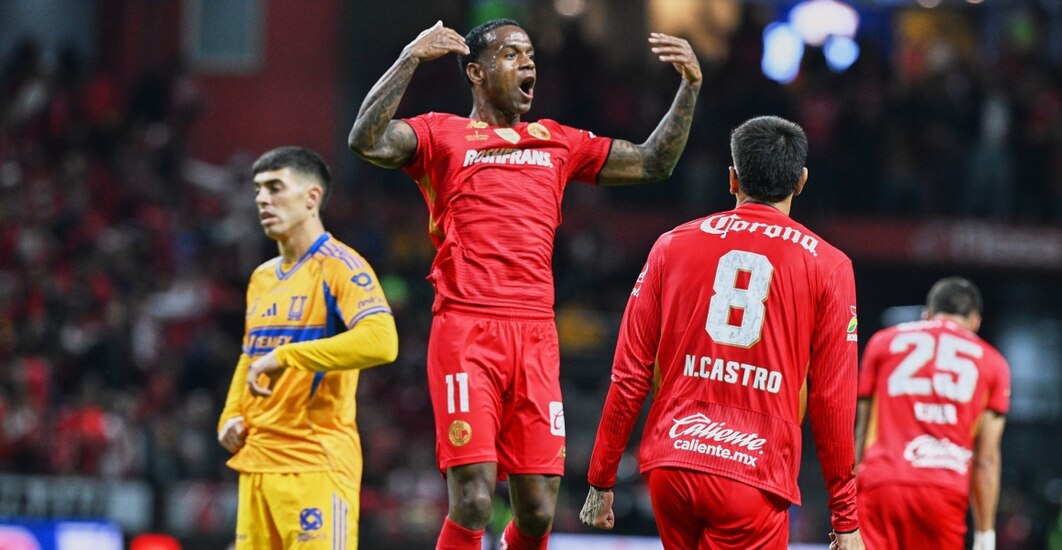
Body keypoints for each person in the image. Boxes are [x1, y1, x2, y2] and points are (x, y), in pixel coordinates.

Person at [348, 18, 701, 550]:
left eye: (530, 54)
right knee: (473, 499)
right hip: (466, 330)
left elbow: (654, 162)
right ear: (476, 72)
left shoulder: (558, 141)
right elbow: (365, 140)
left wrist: (690, 87)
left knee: (537, 512)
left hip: (536, 335)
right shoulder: (440, 134)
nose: (528, 62)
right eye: (511, 54)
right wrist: (410, 58)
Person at [580, 116, 864, 550]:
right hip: (754, 473)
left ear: (732, 179)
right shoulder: (830, 266)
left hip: (672, 464)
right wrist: (845, 517)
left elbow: (629, 372)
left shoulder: (671, 244)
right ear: (801, 181)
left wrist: (601, 478)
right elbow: (833, 399)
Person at [216, 146, 398, 549]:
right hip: (257, 463)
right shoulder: (261, 278)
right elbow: (250, 354)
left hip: (316, 464)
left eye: (275, 187)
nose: (262, 199)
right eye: (258, 190)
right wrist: (231, 414)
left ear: (312, 197)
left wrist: (286, 356)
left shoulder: (341, 266)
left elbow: (383, 341)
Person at [855, 277, 1010, 550]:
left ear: (927, 314)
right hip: (943, 489)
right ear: (975, 322)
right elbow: (986, 459)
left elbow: (861, 429)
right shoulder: (993, 363)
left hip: (882, 484)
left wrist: (846, 504)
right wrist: (985, 534)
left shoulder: (882, 343)